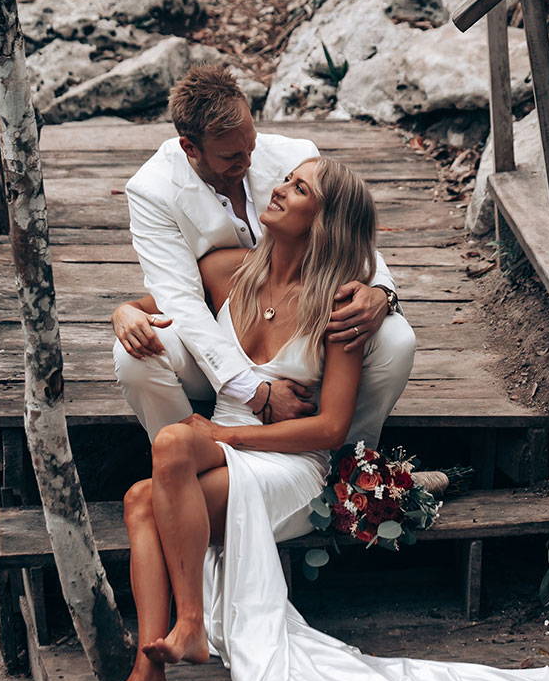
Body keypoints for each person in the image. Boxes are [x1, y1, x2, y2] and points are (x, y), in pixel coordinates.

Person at [69, 156, 549, 681]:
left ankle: (188, 629)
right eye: (286, 179)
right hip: (230, 451)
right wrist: (123, 309)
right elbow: (167, 300)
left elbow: (331, 430)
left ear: (324, 221)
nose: (279, 188)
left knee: (169, 456)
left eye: (299, 188)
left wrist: (223, 433)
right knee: (138, 497)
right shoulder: (232, 269)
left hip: (290, 466)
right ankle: (150, 676)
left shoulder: (337, 307)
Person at [112, 63, 415, 447]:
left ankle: (352, 466)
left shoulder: (297, 156)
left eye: (250, 147)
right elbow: (181, 301)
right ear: (191, 148)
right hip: (215, 336)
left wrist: (382, 292)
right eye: (231, 157)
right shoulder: (152, 191)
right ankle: (189, 457)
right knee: (133, 357)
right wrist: (258, 394)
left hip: (306, 327)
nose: (248, 163)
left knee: (396, 339)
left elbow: (343, 234)